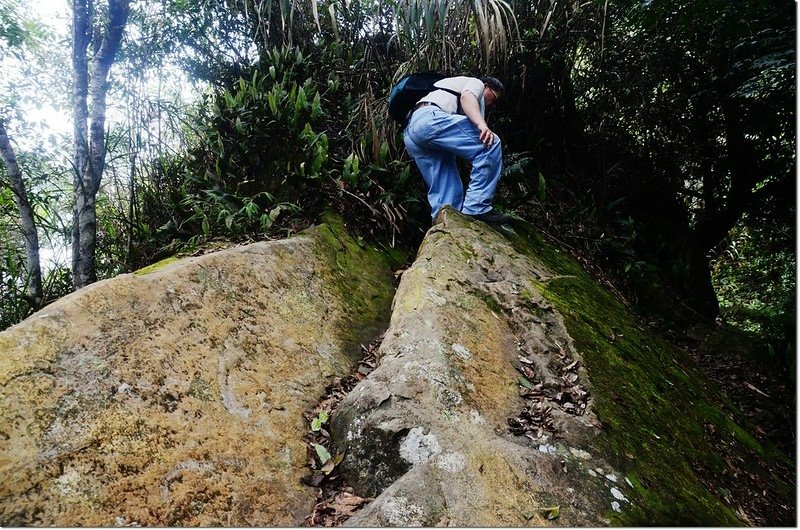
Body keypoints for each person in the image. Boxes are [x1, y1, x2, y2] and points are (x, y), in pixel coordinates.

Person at [403, 75, 511, 224]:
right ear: (486, 86)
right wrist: (482, 124)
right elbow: (467, 97)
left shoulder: (445, 91)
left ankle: (446, 226)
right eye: (495, 97)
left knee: (446, 187)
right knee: (489, 144)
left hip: (412, 132)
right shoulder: (476, 83)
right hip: (431, 119)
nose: (493, 104)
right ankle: (476, 208)